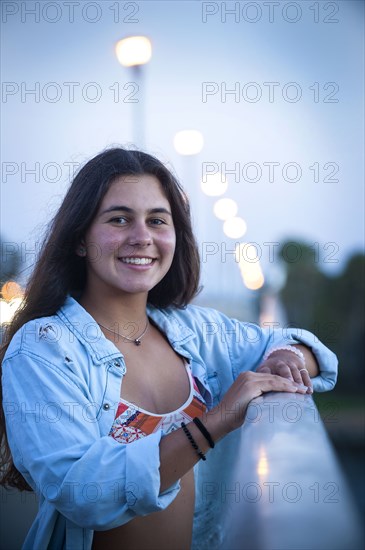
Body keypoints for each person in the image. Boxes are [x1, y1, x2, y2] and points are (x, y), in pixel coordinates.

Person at [0, 147, 337, 550]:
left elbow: (304, 347)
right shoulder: (42, 348)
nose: (142, 237)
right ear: (80, 240)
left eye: (157, 220)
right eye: (119, 219)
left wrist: (286, 359)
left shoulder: (195, 330)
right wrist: (218, 419)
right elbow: (83, 492)